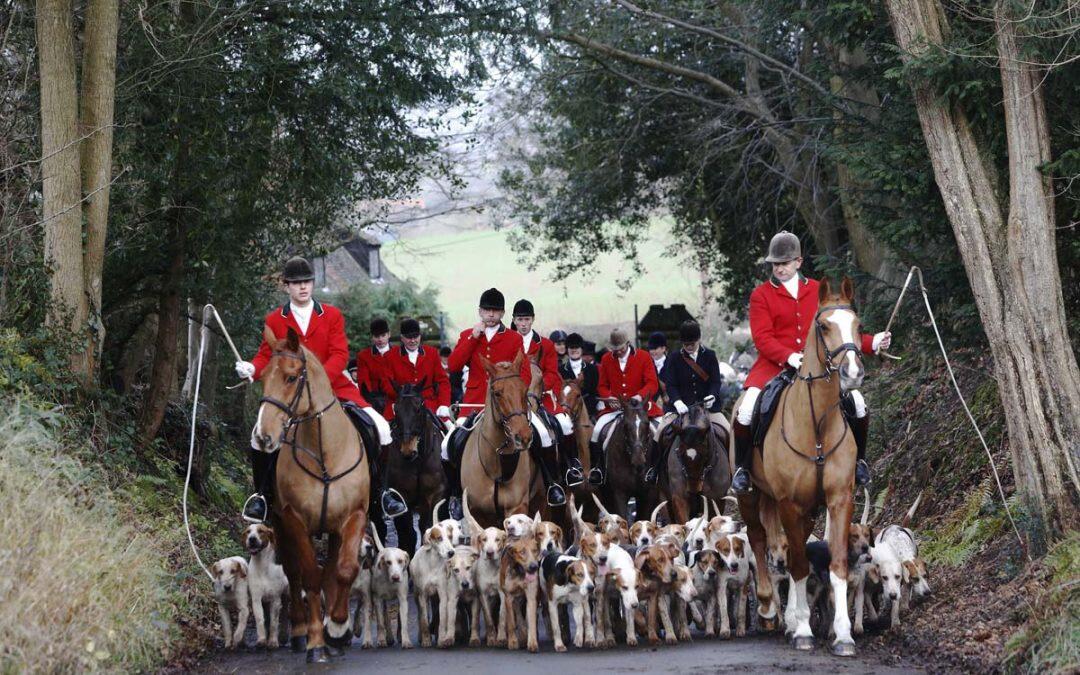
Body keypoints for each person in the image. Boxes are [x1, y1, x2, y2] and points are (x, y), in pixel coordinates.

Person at [234, 257, 406, 522]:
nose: (302, 287)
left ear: (312, 283)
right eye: (296, 283)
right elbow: (265, 356)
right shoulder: (275, 320)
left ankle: (381, 492)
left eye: (307, 281)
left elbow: (340, 353)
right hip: (289, 392)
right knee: (259, 435)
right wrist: (251, 369)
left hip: (334, 386)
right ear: (286, 286)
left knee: (381, 428)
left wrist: (319, 380)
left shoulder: (332, 315)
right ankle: (262, 497)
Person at [730, 231, 892, 494]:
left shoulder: (818, 290)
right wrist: (790, 356)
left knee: (859, 404)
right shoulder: (761, 295)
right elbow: (762, 338)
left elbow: (838, 333)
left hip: (819, 368)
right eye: (775, 264)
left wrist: (872, 342)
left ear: (798, 261)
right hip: (773, 366)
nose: (779, 268)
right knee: (747, 410)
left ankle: (860, 462)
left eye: (785, 262)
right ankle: (743, 468)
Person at [441, 289, 541, 514]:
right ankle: (456, 494)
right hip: (475, 403)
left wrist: (512, 392)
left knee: (542, 435)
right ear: (480, 311)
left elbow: (524, 374)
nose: (491, 315)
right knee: (446, 446)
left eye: (495, 311)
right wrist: (472, 338)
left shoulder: (513, 338)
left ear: (503, 313)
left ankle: (549, 484)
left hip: (509, 405)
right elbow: (454, 365)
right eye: (487, 310)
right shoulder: (469, 334)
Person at [645, 320, 726, 483]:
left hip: (707, 408)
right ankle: (653, 470)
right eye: (686, 344)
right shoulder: (674, 358)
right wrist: (677, 401)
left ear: (699, 340)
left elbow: (716, 382)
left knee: (727, 430)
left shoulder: (710, 356)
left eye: (692, 343)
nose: (689, 347)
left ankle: (734, 469)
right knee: (660, 432)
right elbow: (671, 384)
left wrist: (712, 395)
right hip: (681, 409)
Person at [513, 300, 582, 489]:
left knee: (565, 424)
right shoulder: (507, 342)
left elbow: (552, 374)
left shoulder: (546, 344)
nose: (524, 323)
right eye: (520, 319)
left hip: (542, 398)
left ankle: (570, 468)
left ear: (533, 319)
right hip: (513, 400)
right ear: (514, 320)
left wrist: (538, 388)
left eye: (527, 319)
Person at [588, 328, 662, 485]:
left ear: (628, 344)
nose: (618, 352)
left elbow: (652, 383)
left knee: (662, 431)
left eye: (621, 349)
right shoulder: (607, 359)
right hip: (616, 409)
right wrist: (609, 397)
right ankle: (598, 470)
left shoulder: (643, 356)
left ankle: (659, 469)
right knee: (596, 431)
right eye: (615, 349)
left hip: (641, 407)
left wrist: (639, 396)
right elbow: (602, 385)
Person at [382, 317, 452, 423]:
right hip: (400, 405)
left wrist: (444, 404)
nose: (413, 340)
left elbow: (443, 381)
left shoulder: (432, 353)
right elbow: (386, 384)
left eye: (416, 336)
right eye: (409, 337)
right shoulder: (389, 356)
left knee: (450, 431)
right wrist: (404, 397)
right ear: (402, 337)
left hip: (429, 406)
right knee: (383, 434)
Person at [355, 318, 392, 414]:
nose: (380, 339)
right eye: (376, 336)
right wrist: (372, 402)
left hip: (397, 399)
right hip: (375, 401)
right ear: (372, 337)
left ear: (389, 335)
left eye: (383, 335)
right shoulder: (363, 356)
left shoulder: (399, 353)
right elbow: (364, 383)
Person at [559, 332, 599, 417]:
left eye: (577, 347)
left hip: (590, 411)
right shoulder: (560, 370)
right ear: (567, 350)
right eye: (571, 347)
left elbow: (596, 391)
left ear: (582, 349)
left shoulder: (592, 369)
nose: (574, 350)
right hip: (568, 410)